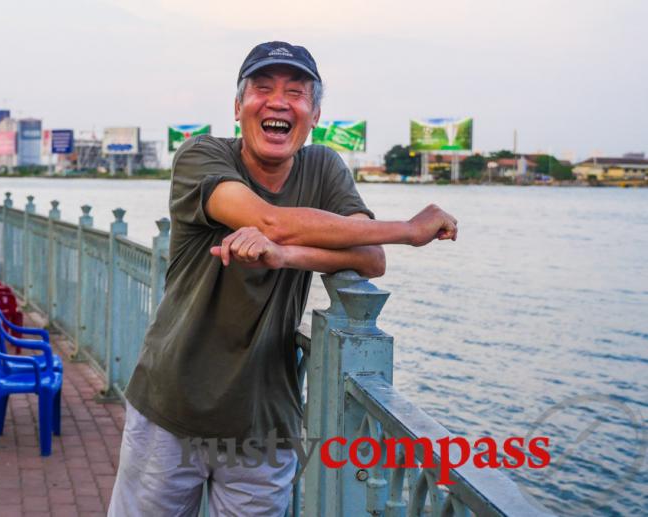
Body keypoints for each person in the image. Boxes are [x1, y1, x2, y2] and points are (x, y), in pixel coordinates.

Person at [109, 41, 458, 516]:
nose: (278, 101)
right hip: (171, 407)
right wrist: (410, 229)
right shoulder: (202, 157)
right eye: (262, 88)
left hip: (266, 421)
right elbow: (268, 220)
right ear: (238, 108)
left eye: (295, 92)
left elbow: (371, 259)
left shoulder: (324, 167)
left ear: (313, 115)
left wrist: (287, 254)